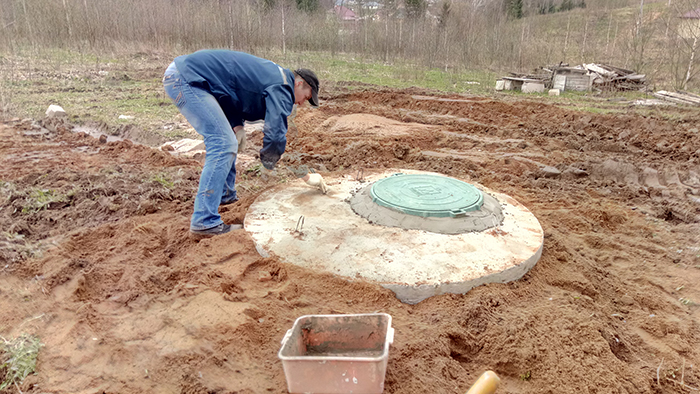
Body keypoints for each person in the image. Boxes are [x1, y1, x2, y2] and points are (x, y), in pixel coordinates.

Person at [163, 49, 327, 239]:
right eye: (306, 97)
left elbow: (229, 91)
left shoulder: (275, 76)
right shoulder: (282, 85)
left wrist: (237, 125)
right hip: (187, 78)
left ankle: (226, 196)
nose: (301, 104)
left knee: (227, 141)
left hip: (190, 77)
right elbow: (275, 135)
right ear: (299, 83)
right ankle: (204, 222)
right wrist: (303, 175)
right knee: (223, 143)